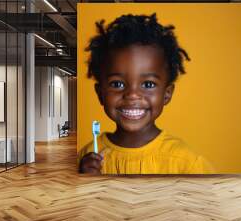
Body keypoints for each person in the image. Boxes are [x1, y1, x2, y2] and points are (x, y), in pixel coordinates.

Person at [78, 13, 213, 174]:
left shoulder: (188, 163)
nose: (132, 95)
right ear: (100, 93)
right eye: (117, 84)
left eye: (148, 84)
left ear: (167, 94)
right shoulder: (85, 158)